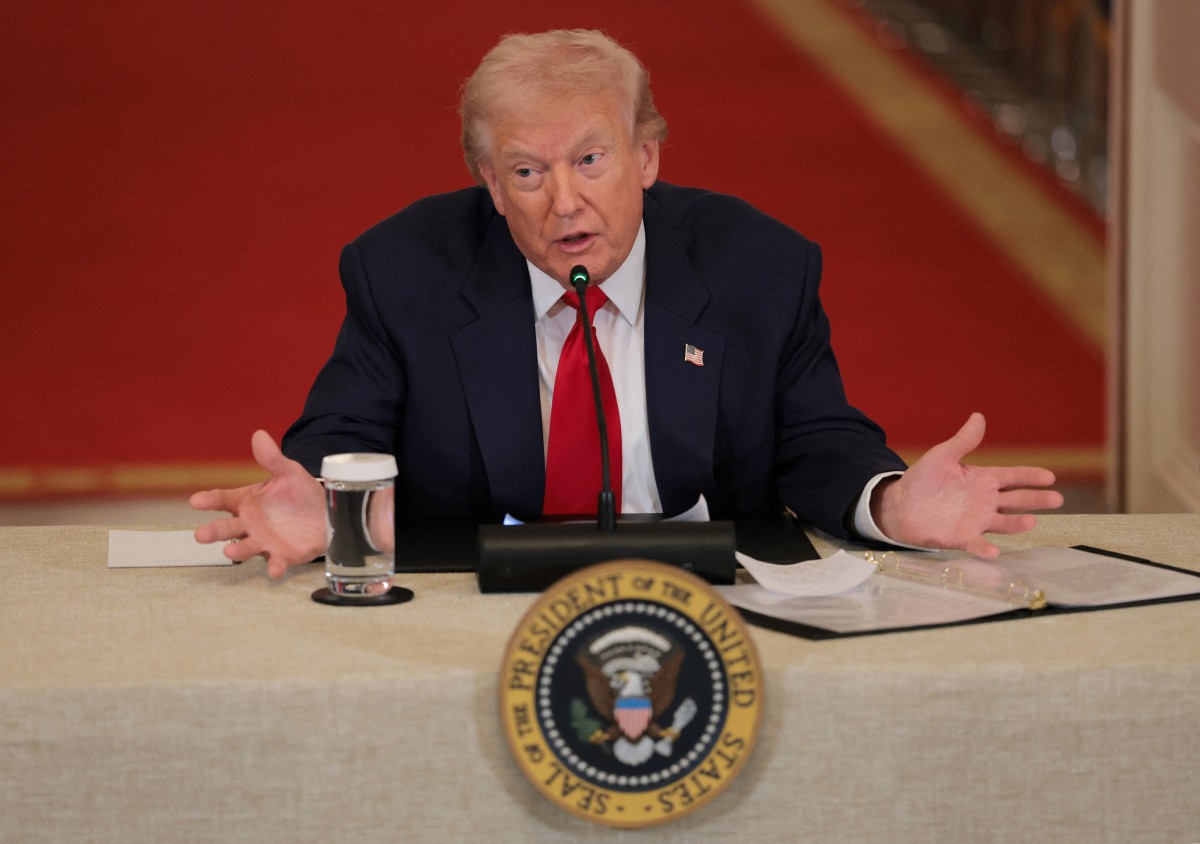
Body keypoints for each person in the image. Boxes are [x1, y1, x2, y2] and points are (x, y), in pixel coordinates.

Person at [191, 29, 1062, 579]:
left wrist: (889, 503)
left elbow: (815, 439)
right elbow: (342, 434)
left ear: (647, 157)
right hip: (477, 602)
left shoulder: (759, 265)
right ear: (491, 184)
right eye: (527, 172)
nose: (564, 201)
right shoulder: (404, 270)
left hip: (703, 598)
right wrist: (324, 504)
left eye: (591, 160)